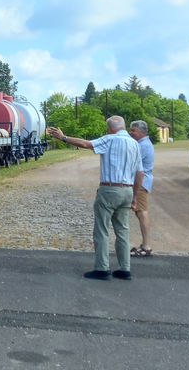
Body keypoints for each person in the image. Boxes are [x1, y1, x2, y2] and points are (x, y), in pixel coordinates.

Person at [47, 116, 144, 280]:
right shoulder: (135, 144)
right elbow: (140, 173)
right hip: (127, 190)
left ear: (110, 128)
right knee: (122, 230)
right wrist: (134, 196)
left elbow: (86, 144)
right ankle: (124, 268)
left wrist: (63, 137)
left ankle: (102, 268)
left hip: (109, 189)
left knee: (102, 229)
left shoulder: (110, 139)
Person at [128, 120, 154, 257]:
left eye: (133, 130)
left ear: (141, 132)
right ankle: (144, 245)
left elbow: (133, 164)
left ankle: (146, 246)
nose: (130, 133)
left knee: (142, 212)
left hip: (141, 183)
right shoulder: (141, 144)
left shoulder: (143, 146)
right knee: (139, 212)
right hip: (141, 182)